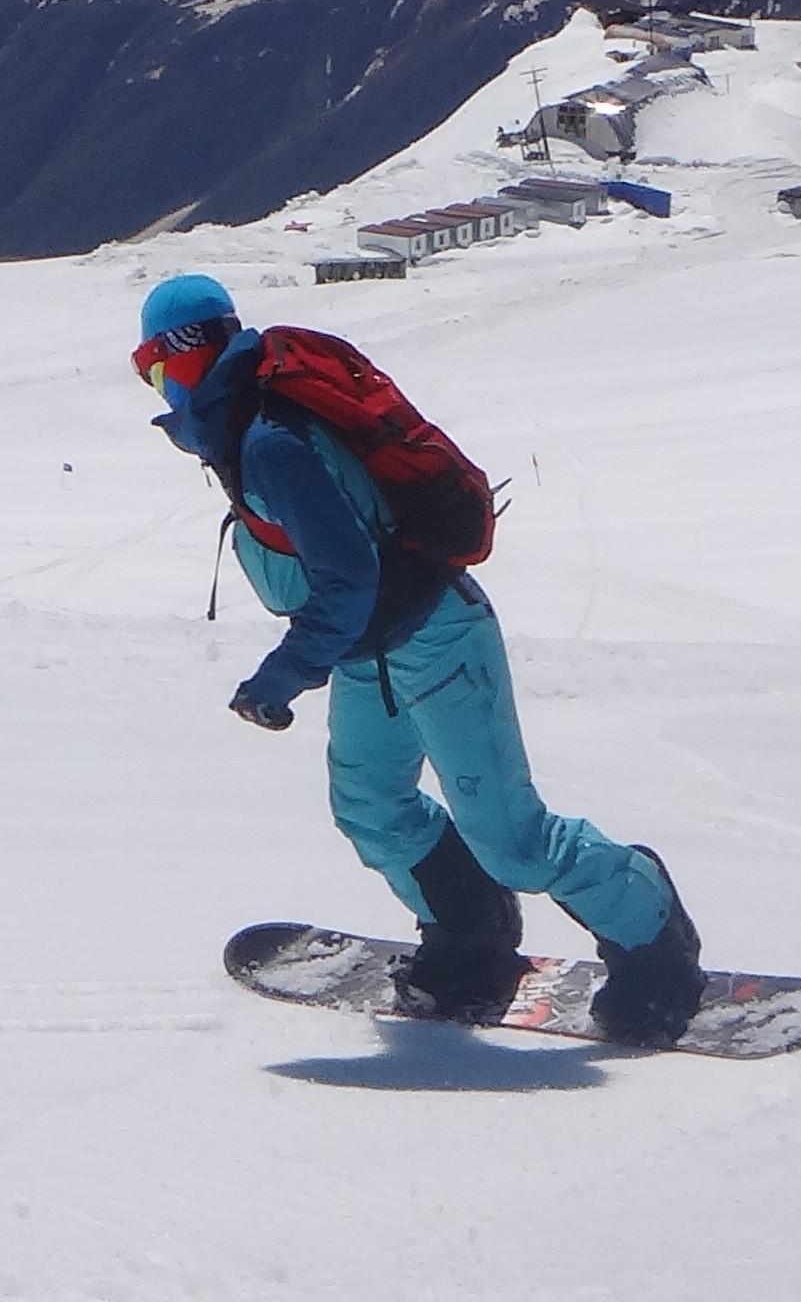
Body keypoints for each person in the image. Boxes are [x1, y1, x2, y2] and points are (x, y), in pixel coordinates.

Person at [130, 272, 704, 1042]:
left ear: (185, 357)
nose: (159, 390)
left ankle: (655, 940)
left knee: (512, 839)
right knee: (372, 807)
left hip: (436, 637)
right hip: (373, 653)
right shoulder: (248, 428)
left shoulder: (269, 444)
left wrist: (281, 678)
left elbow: (346, 581)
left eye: (156, 370)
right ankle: (470, 934)